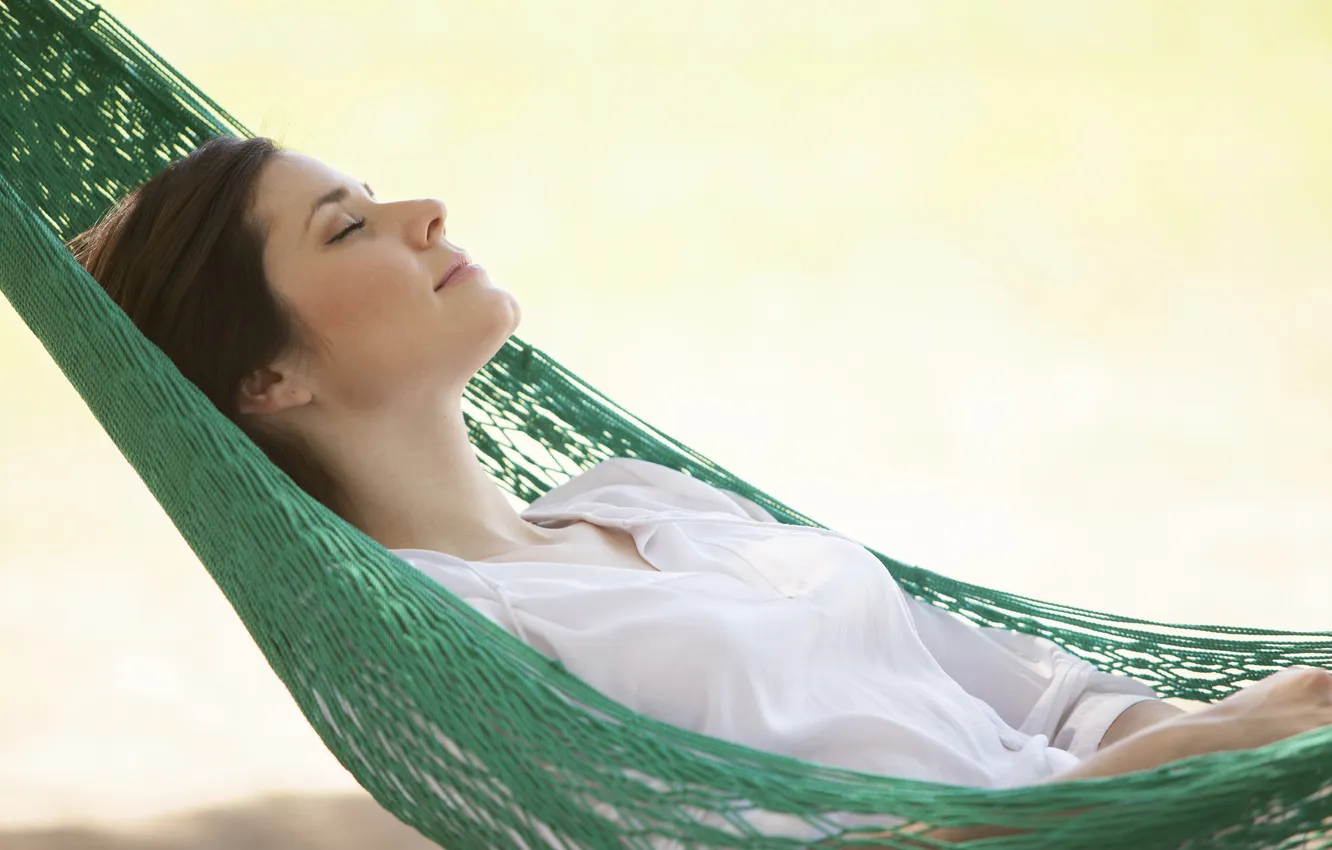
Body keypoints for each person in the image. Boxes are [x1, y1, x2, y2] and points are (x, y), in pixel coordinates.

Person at [68, 134, 1332, 844]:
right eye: (347, 227)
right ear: (266, 377)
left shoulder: (636, 498)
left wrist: (1205, 739)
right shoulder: (447, 641)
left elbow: (1030, 692)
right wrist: (1167, 771)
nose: (424, 210)